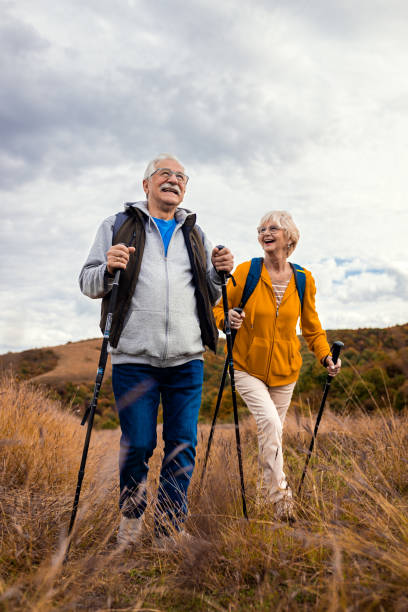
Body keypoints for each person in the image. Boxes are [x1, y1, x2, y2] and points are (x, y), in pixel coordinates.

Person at [79, 154, 233, 546]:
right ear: (145, 184)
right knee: (139, 444)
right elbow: (88, 281)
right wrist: (107, 268)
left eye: (181, 176)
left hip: (187, 359)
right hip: (134, 357)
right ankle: (131, 521)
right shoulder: (117, 225)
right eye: (164, 174)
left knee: (182, 445)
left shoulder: (196, 234)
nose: (173, 180)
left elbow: (212, 292)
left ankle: (169, 530)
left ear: (185, 189)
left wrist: (219, 273)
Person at [213, 210, 341, 522]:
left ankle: (263, 497)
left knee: (272, 434)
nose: (265, 233)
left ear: (289, 237)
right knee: (270, 424)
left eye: (273, 228)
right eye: (261, 229)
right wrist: (226, 320)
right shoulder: (246, 272)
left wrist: (326, 356)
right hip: (246, 366)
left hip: (286, 372)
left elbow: (312, 328)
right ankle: (282, 504)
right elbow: (219, 309)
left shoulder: (303, 279)